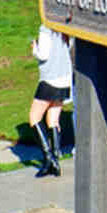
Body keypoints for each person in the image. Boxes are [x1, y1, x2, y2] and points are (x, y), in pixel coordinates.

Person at [29, 25, 71, 177]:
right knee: (53, 120)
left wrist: (35, 49)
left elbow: (44, 54)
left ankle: (49, 159)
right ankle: (55, 161)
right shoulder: (64, 26)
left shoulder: (45, 28)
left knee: (34, 117)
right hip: (65, 78)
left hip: (50, 79)